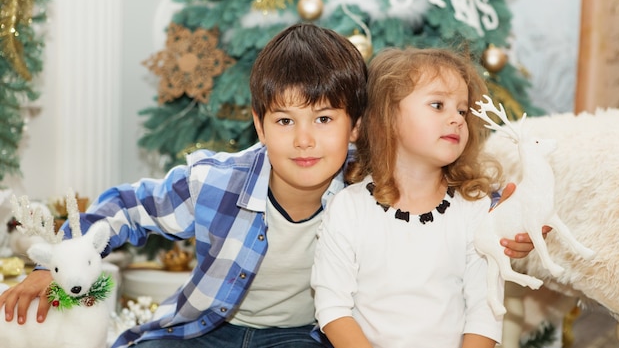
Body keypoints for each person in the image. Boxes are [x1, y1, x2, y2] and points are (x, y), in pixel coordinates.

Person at [0, 25, 539, 348]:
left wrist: (500, 223)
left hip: (299, 338)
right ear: (259, 126)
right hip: (204, 329)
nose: (305, 141)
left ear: (355, 128)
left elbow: (440, 187)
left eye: (324, 119)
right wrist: (55, 263)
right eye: (284, 121)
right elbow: (126, 209)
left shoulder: (367, 183)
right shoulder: (214, 181)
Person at [311, 47, 511, 348]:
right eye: (438, 105)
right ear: (386, 118)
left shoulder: (475, 210)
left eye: (461, 110)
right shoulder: (349, 208)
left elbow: (486, 310)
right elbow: (333, 309)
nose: (457, 119)